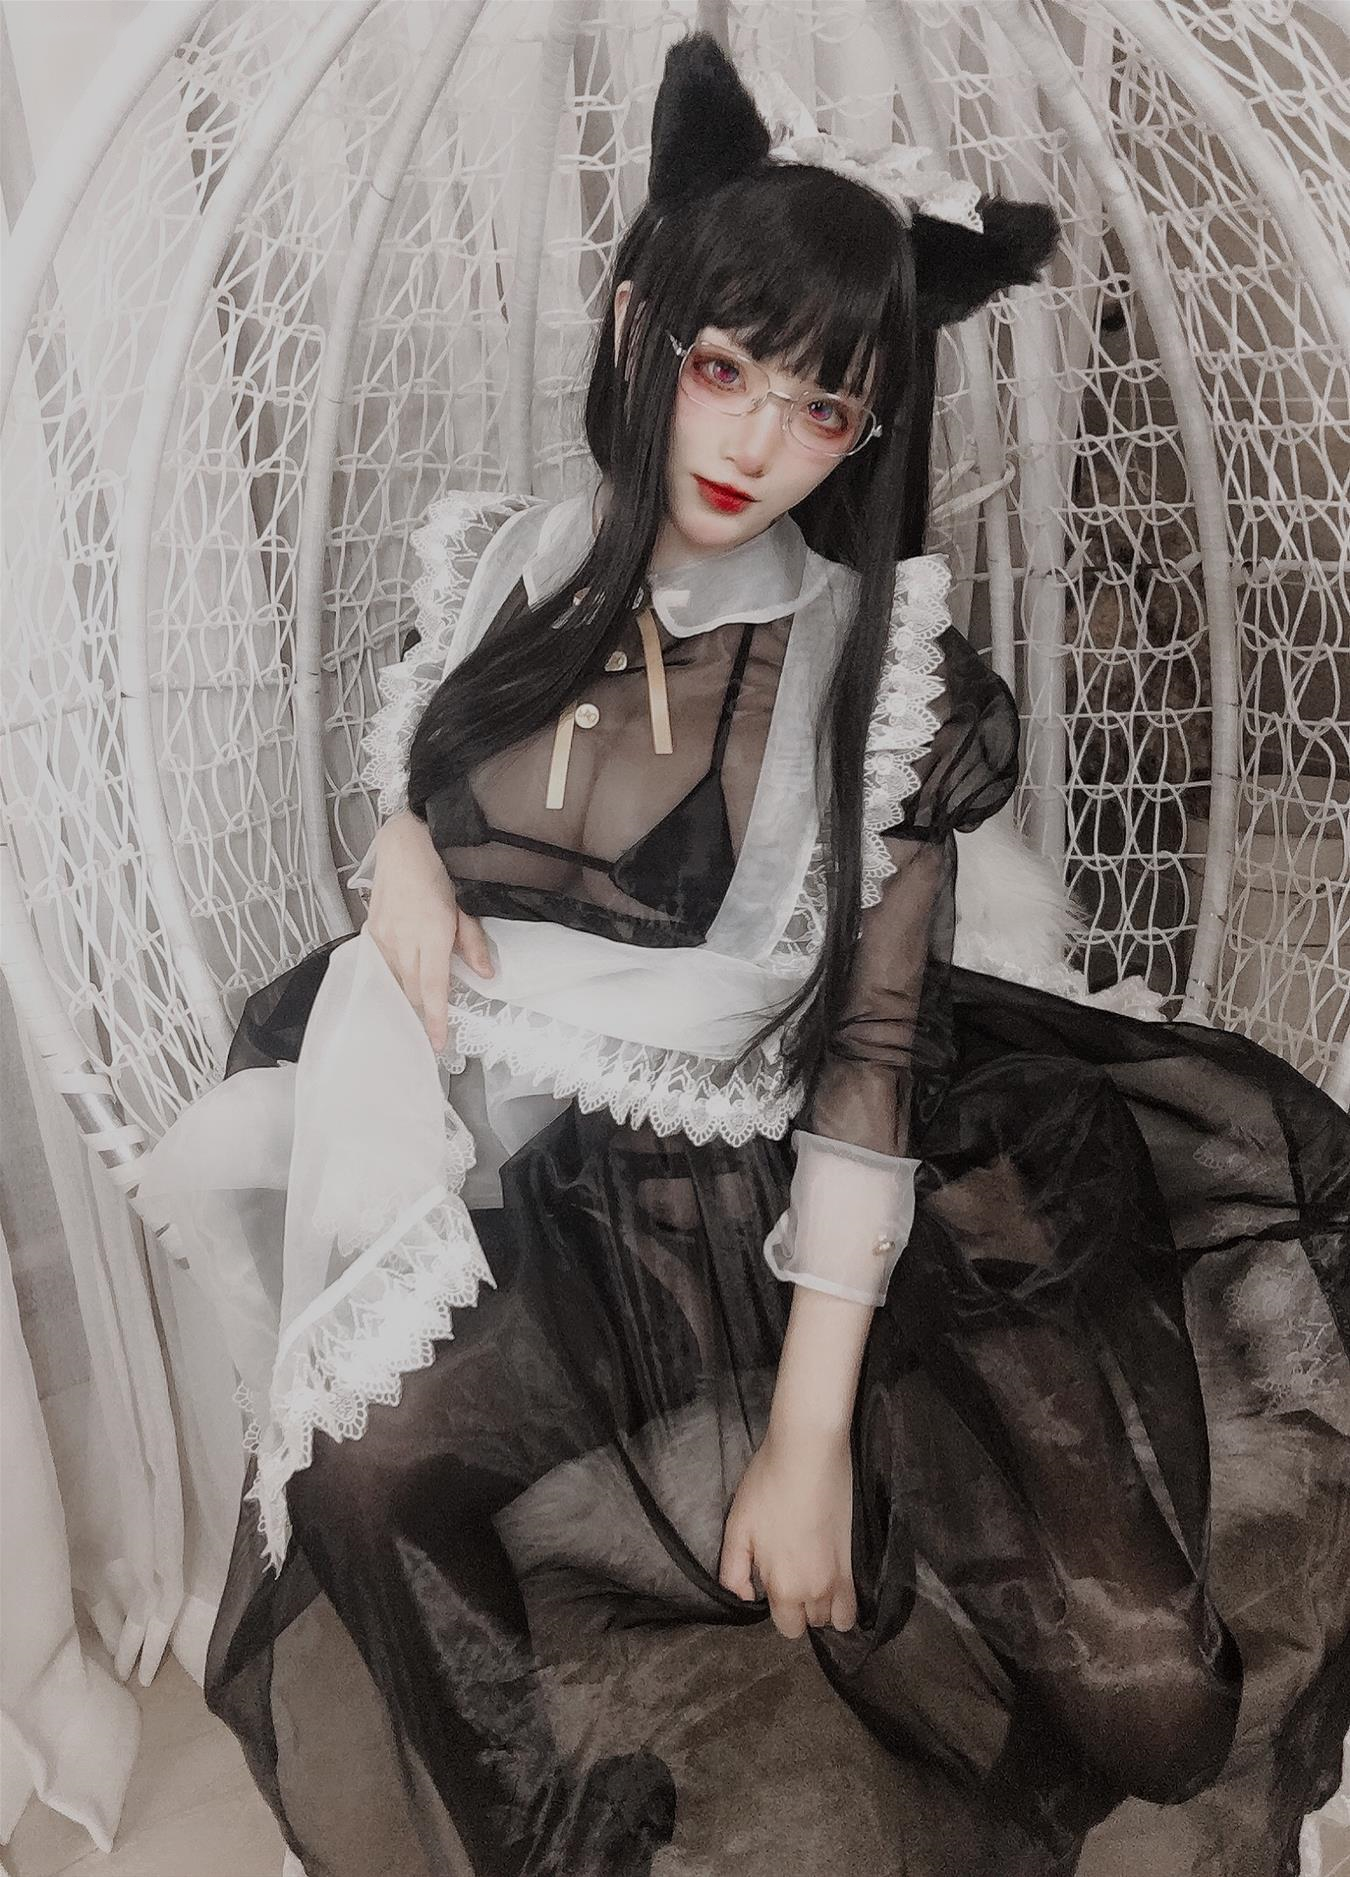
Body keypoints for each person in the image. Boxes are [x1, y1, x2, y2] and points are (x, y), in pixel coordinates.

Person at [134, 33, 1350, 1877]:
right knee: (359, 1480)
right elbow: (422, 775)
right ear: (641, 331)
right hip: (537, 1176)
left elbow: (867, 1064)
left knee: (1152, 1706)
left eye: (820, 412)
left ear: (864, 436)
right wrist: (397, 853)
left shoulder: (889, 682)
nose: (756, 447)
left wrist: (804, 1435)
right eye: (724, 372)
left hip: (784, 1177)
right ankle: (560, 1836)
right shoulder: (498, 565)